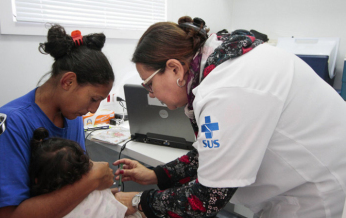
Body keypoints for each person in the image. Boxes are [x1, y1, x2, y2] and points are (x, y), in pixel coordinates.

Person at [113, 16, 346, 217]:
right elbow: (211, 153)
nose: (151, 94)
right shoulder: (221, 63)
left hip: (312, 190)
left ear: (175, 69)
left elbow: (207, 199)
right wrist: (158, 174)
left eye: (149, 84)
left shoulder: (225, 90)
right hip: (295, 181)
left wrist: (139, 202)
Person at [0, 24, 115, 217]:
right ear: (68, 82)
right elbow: (8, 215)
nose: (93, 110)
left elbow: (74, 182)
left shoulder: (73, 117)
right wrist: (92, 181)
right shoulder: (8, 125)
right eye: (93, 99)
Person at [29, 127, 144, 218]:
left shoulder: (40, 209)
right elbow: (125, 209)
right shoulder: (96, 193)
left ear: (37, 180)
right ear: (84, 172)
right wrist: (138, 201)